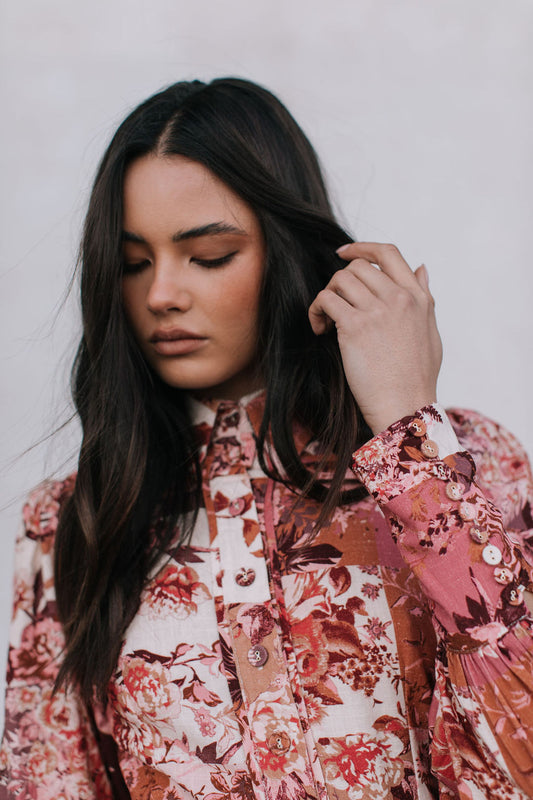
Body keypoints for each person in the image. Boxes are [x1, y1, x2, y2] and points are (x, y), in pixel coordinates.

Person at [1, 77, 532, 800]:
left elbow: (521, 734)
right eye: (132, 263)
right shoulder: (76, 520)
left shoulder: (466, 460)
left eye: (209, 255)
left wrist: (411, 431)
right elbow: (49, 779)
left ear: (284, 250)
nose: (160, 294)